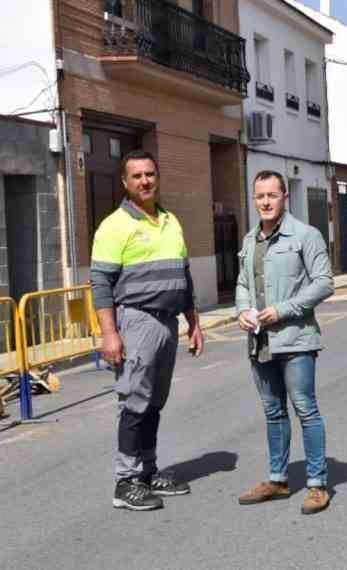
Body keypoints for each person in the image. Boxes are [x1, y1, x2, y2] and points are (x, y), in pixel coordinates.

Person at [91, 149, 204, 511]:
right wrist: (109, 334)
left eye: (150, 174)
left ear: (158, 177)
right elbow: (101, 283)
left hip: (168, 322)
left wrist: (194, 322)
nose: (145, 181)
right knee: (134, 403)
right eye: (137, 176)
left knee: (154, 402)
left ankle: (148, 471)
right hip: (137, 320)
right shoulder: (114, 225)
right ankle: (125, 482)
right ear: (125, 183)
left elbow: (183, 275)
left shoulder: (171, 220)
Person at [236, 170, 334, 515]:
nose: (265, 202)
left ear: (284, 198)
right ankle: (278, 479)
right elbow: (242, 284)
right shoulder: (250, 241)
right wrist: (242, 311)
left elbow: (324, 283)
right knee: (273, 412)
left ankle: (317, 484)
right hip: (259, 341)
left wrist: (283, 310)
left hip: (296, 340)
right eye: (259, 196)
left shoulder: (306, 236)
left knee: (305, 409)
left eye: (272, 195)